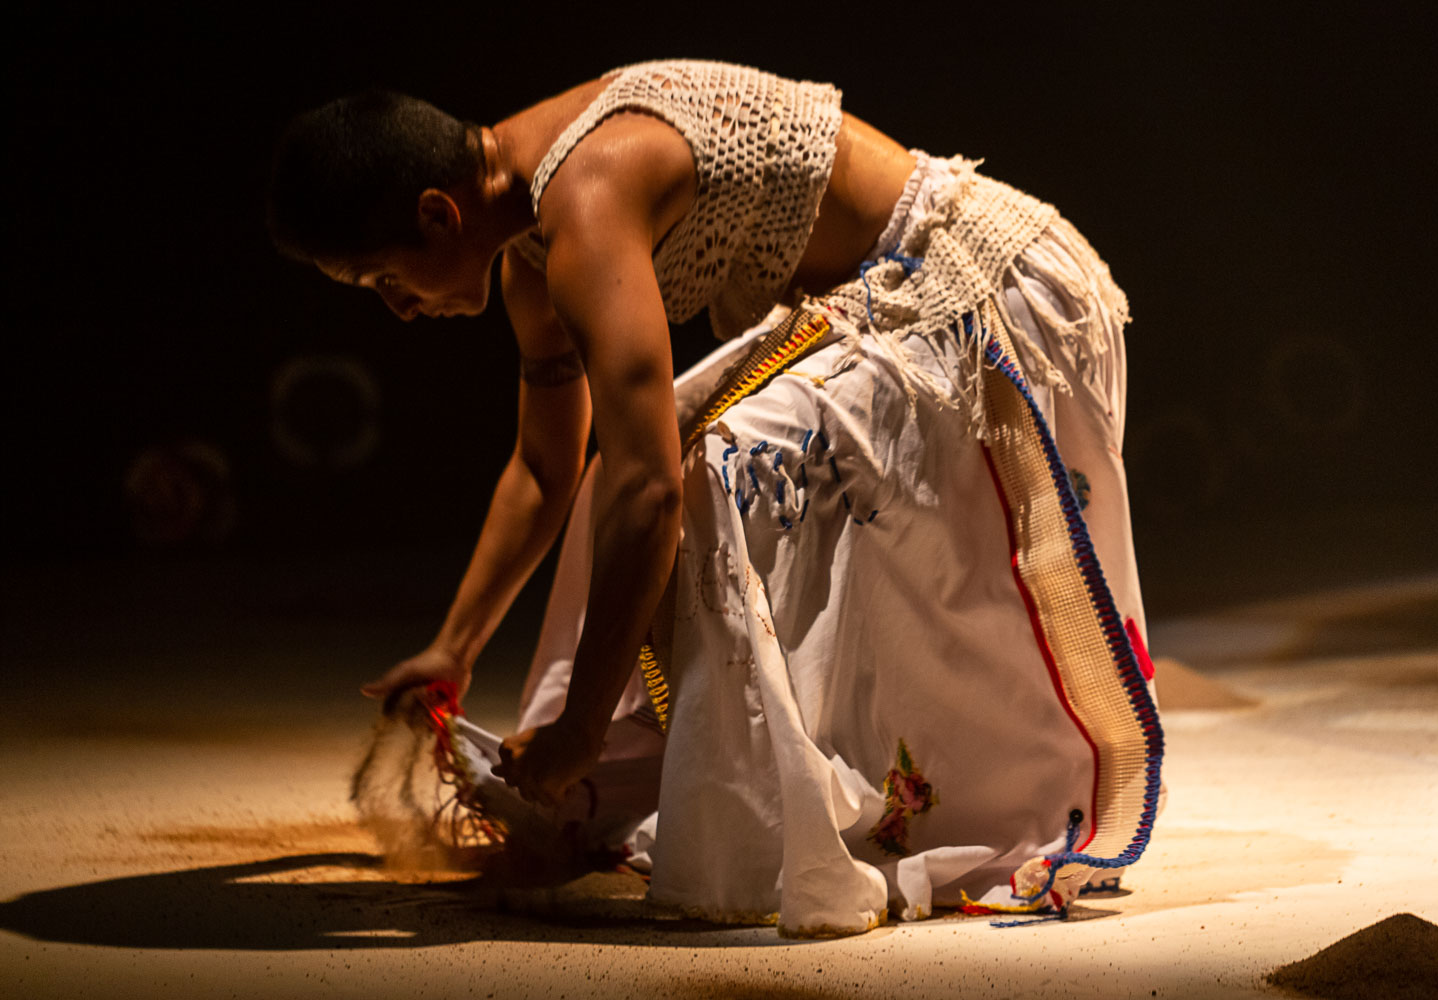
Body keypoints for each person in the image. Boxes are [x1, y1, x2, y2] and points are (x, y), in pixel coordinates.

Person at [268, 59, 1163, 937]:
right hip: (880, 304)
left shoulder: (583, 195)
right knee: (643, 466)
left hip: (982, 292)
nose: (398, 308)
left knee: (709, 470)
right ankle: (765, 775)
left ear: (438, 214)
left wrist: (582, 725)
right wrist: (453, 646)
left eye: (385, 279)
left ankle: (886, 791)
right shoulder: (532, 256)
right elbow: (544, 469)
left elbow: (651, 489)